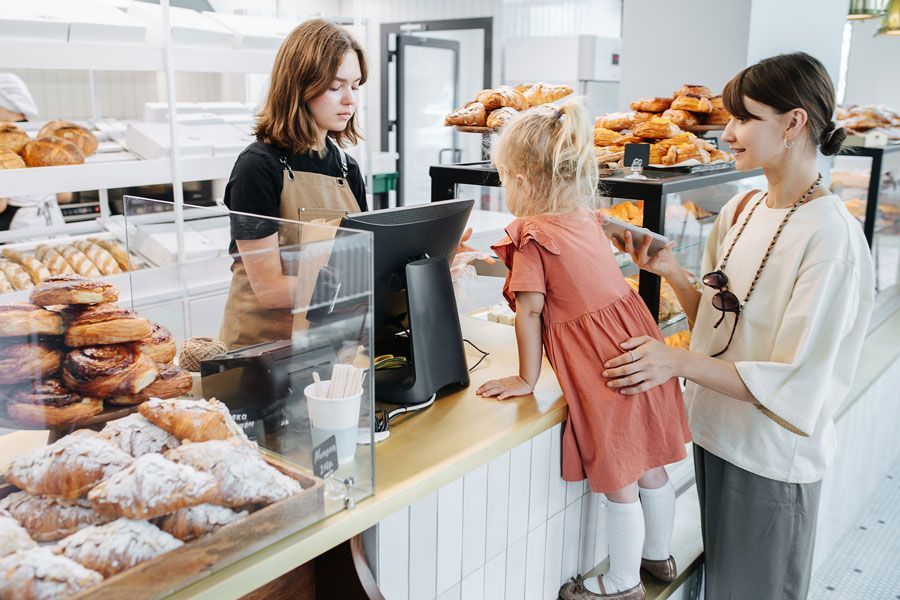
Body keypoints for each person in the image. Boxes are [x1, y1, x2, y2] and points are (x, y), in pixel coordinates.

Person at [605, 52, 874, 599]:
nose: (728, 134)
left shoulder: (831, 238)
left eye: (745, 118)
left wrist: (674, 360)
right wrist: (673, 271)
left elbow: (796, 380)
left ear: (794, 122)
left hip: (771, 456)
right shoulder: (742, 209)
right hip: (716, 435)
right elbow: (719, 323)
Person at [476, 98, 691, 600]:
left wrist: (526, 380)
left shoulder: (531, 234)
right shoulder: (586, 218)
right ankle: (657, 556)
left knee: (618, 470)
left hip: (603, 364)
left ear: (523, 179)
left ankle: (621, 584)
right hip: (638, 345)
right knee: (650, 464)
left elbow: (529, 311)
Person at [221, 19, 480, 349]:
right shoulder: (258, 167)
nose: (349, 100)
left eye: (355, 86)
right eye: (334, 86)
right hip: (262, 355)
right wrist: (363, 282)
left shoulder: (347, 169)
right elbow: (269, 289)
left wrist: (433, 262)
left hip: (324, 344)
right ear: (298, 86)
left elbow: (363, 257)